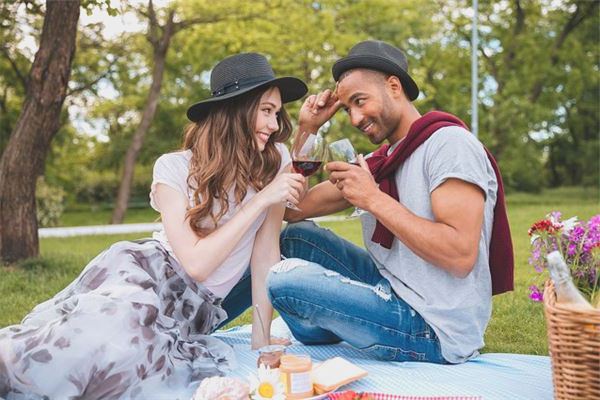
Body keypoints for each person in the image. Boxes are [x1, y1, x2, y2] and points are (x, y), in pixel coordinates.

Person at [0, 53, 307, 398]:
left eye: (277, 113)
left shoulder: (276, 162)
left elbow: (265, 255)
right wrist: (260, 201)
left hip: (193, 309)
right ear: (236, 110)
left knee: (124, 361)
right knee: (90, 341)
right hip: (144, 275)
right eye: (266, 110)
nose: (274, 124)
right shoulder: (173, 168)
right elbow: (196, 264)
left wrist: (261, 343)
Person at [267, 40, 514, 364]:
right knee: (296, 239)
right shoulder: (380, 163)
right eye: (347, 109)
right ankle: (336, 321)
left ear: (394, 86)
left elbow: (459, 255)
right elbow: (292, 209)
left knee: (284, 281)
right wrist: (308, 128)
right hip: (391, 290)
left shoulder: (450, 144)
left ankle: (329, 321)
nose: (355, 118)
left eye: (360, 101)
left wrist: (372, 198)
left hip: (433, 326)